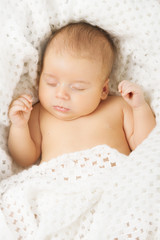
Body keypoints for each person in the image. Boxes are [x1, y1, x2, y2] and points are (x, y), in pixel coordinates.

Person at [8, 22, 156, 167]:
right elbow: (24, 159)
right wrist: (19, 126)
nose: (61, 94)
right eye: (51, 83)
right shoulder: (40, 113)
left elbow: (144, 145)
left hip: (113, 181)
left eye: (77, 88)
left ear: (103, 90)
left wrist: (139, 108)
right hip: (58, 185)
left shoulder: (118, 107)